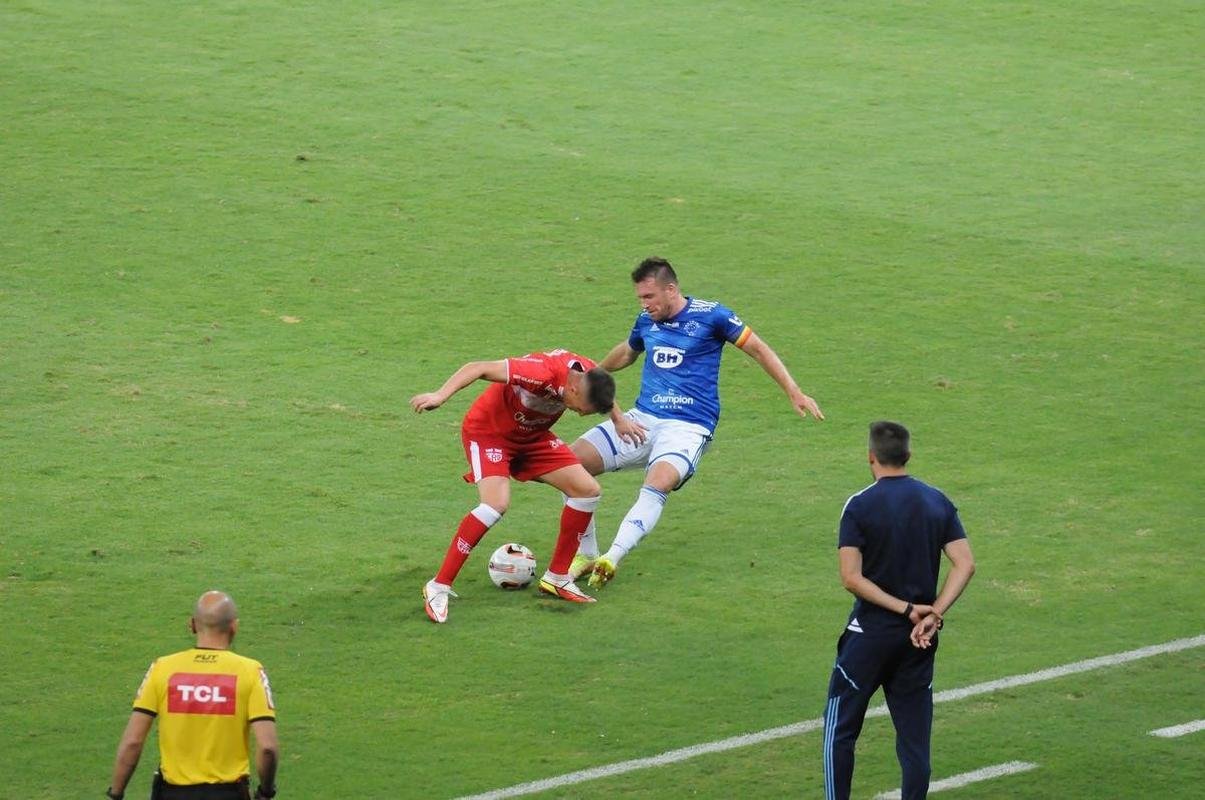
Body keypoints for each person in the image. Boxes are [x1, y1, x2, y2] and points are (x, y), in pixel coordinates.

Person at [569, 256, 824, 586]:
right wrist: (592, 375)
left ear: (671, 289)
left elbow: (759, 349)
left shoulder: (712, 315)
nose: (644, 305)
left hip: (688, 427)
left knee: (658, 482)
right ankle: (587, 553)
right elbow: (629, 352)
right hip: (642, 419)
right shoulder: (647, 321)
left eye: (649, 297)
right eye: (640, 298)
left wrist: (794, 391)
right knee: (571, 463)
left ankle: (612, 557)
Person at [821, 421, 976, 800]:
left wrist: (906, 608)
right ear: (908, 456)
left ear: (871, 457)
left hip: (869, 638)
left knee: (840, 730)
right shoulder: (936, 500)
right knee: (914, 743)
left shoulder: (859, 506)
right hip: (918, 640)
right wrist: (932, 614)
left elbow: (851, 578)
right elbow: (965, 564)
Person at [410, 348, 619, 623]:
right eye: (581, 408)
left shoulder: (589, 376)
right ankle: (439, 586)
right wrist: (440, 395)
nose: (580, 415)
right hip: (490, 433)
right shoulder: (540, 372)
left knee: (587, 490)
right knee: (495, 504)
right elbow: (478, 365)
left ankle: (557, 577)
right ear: (573, 388)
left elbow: (602, 392)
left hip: (533, 437)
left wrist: (621, 419)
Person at [106, 590, 279, 800]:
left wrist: (116, 793)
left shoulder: (163, 669)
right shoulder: (251, 672)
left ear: (193, 624)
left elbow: (133, 742)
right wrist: (265, 792)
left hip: (172, 794)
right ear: (235, 626)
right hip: (228, 794)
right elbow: (268, 748)